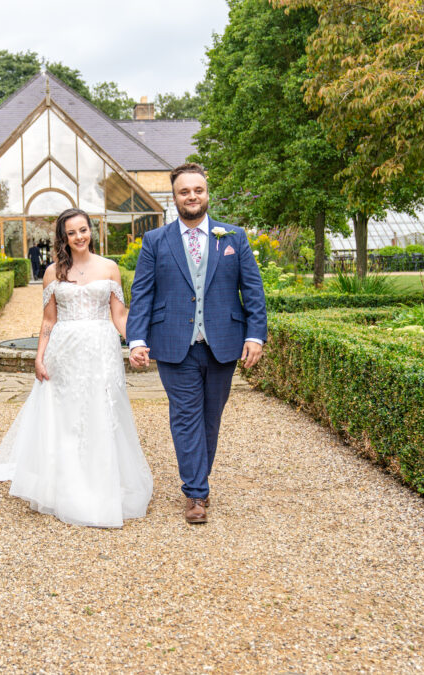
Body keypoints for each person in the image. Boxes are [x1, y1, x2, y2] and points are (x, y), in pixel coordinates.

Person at [0, 208, 153, 528]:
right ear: (64, 237)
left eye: (83, 230)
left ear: (92, 231)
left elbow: (119, 316)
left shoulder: (110, 268)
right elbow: (49, 320)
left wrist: (138, 342)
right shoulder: (52, 272)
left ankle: (105, 481)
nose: (79, 237)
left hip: (102, 350)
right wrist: (39, 356)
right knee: (69, 415)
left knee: (104, 410)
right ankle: (68, 484)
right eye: (71, 233)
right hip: (66, 351)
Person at [126, 162, 267, 525]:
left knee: (210, 417)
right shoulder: (155, 241)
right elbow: (142, 292)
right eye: (184, 191)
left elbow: (252, 290)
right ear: (173, 197)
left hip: (224, 342)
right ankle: (196, 493)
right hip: (174, 342)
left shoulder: (233, 237)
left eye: (198, 190)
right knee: (186, 416)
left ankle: (197, 479)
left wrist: (255, 335)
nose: (192, 197)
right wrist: (137, 338)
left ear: (207, 194)